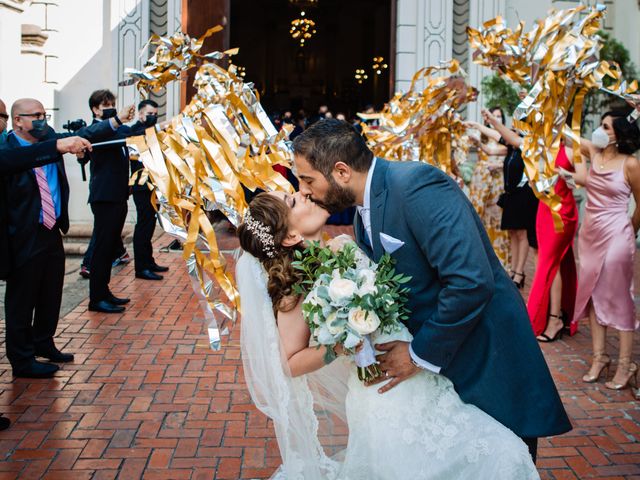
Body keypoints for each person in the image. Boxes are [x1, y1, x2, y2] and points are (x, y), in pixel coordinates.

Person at [291, 119, 571, 461]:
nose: (304, 191)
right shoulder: (364, 209)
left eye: (308, 180)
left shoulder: (416, 186)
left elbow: (470, 280)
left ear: (341, 171)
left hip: (487, 357)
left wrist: (417, 353)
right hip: (449, 367)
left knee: (504, 461)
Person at [237, 191, 539, 479]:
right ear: (291, 236)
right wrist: (342, 344)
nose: (303, 194)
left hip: (421, 375)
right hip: (382, 391)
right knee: (498, 455)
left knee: (500, 452)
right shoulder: (294, 289)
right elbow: (290, 363)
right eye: (292, 200)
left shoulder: (342, 244)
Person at [0, 98, 123, 378]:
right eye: (36, 116)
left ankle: (44, 342)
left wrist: (114, 122)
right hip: (23, 234)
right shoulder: (7, 150)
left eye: (45, 114)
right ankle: (21, 357)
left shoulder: (52, 139)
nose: (43, 120)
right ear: (17, 120)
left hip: (51, 229)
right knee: (22, 299)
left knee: (51, 291)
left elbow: (86, 136)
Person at [483, 109, 579, 341]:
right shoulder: (541, 147)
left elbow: (583, 178)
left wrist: (565, 175)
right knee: (548, 262)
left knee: (547, 263)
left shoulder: (572, 148)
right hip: (543, 210)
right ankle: (556, 315)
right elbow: (514, 139)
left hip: (562, 212)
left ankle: (551, 319)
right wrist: (495, 121)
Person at [567, 109, 640, 391]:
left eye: (606, 126)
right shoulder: (592, 151)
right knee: (592, 295)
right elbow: (561, 128)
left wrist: (629, 229)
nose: (600, 130)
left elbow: (639, 203)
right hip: (590, 234)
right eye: (600, 125)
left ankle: (626, 364)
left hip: (618, 233)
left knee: (620, 296)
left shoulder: (631, 164)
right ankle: (599, 358)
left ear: (618, 133)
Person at [85, 89, 136, 313]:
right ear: (95, 109)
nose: (110, 107)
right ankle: (96, 297)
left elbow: (133, 134)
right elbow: (95, 136)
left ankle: (104, 291)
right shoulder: (94, 131)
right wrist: (115, 121)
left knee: (110, 247)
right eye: (106, 105)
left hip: (118, 194)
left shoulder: (117, 129)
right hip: (104, 196)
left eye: (112, 103)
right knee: (102, 247)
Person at [465, 107, 510, 268]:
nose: (497, 119)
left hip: (498, 185)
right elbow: (483, 154)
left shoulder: (507, 139)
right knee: (481, 220)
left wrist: (498, 166)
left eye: (499, 116)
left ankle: (501, 263)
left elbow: (497, 152)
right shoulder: (483, 139)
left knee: (497, 220)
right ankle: (480, 262)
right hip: (483, 184)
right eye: (494, 116)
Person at [129, 99, 169, 280]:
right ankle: (141, 267)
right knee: (143, 225)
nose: (153, 117)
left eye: (155, 114)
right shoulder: (135, 130)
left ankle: (148, 260)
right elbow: (141, 137)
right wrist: (160, 127)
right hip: (141, 186)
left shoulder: (150, 131)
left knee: (151, 223)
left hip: (153, 184)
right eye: (149, 114)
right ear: (140, 114)